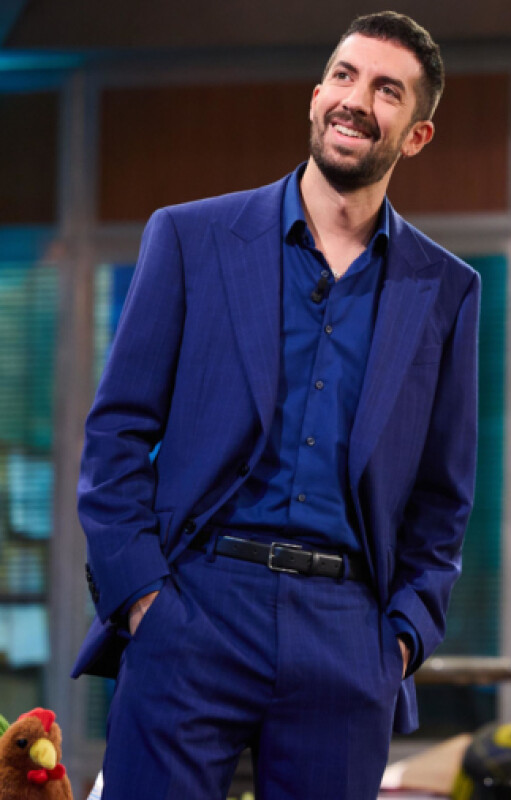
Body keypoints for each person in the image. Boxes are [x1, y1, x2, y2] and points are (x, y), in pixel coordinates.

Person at [73, 10, 480, 800]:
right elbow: (117, 431)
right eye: (343, 76)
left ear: (417, 136)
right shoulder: (190, 237)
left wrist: (398, 639)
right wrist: (142, 598)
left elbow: (443, 496)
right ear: (316, 94)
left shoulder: (445, 290)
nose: (355, 99)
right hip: (192, 608)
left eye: (386, 90)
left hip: (346, 636)